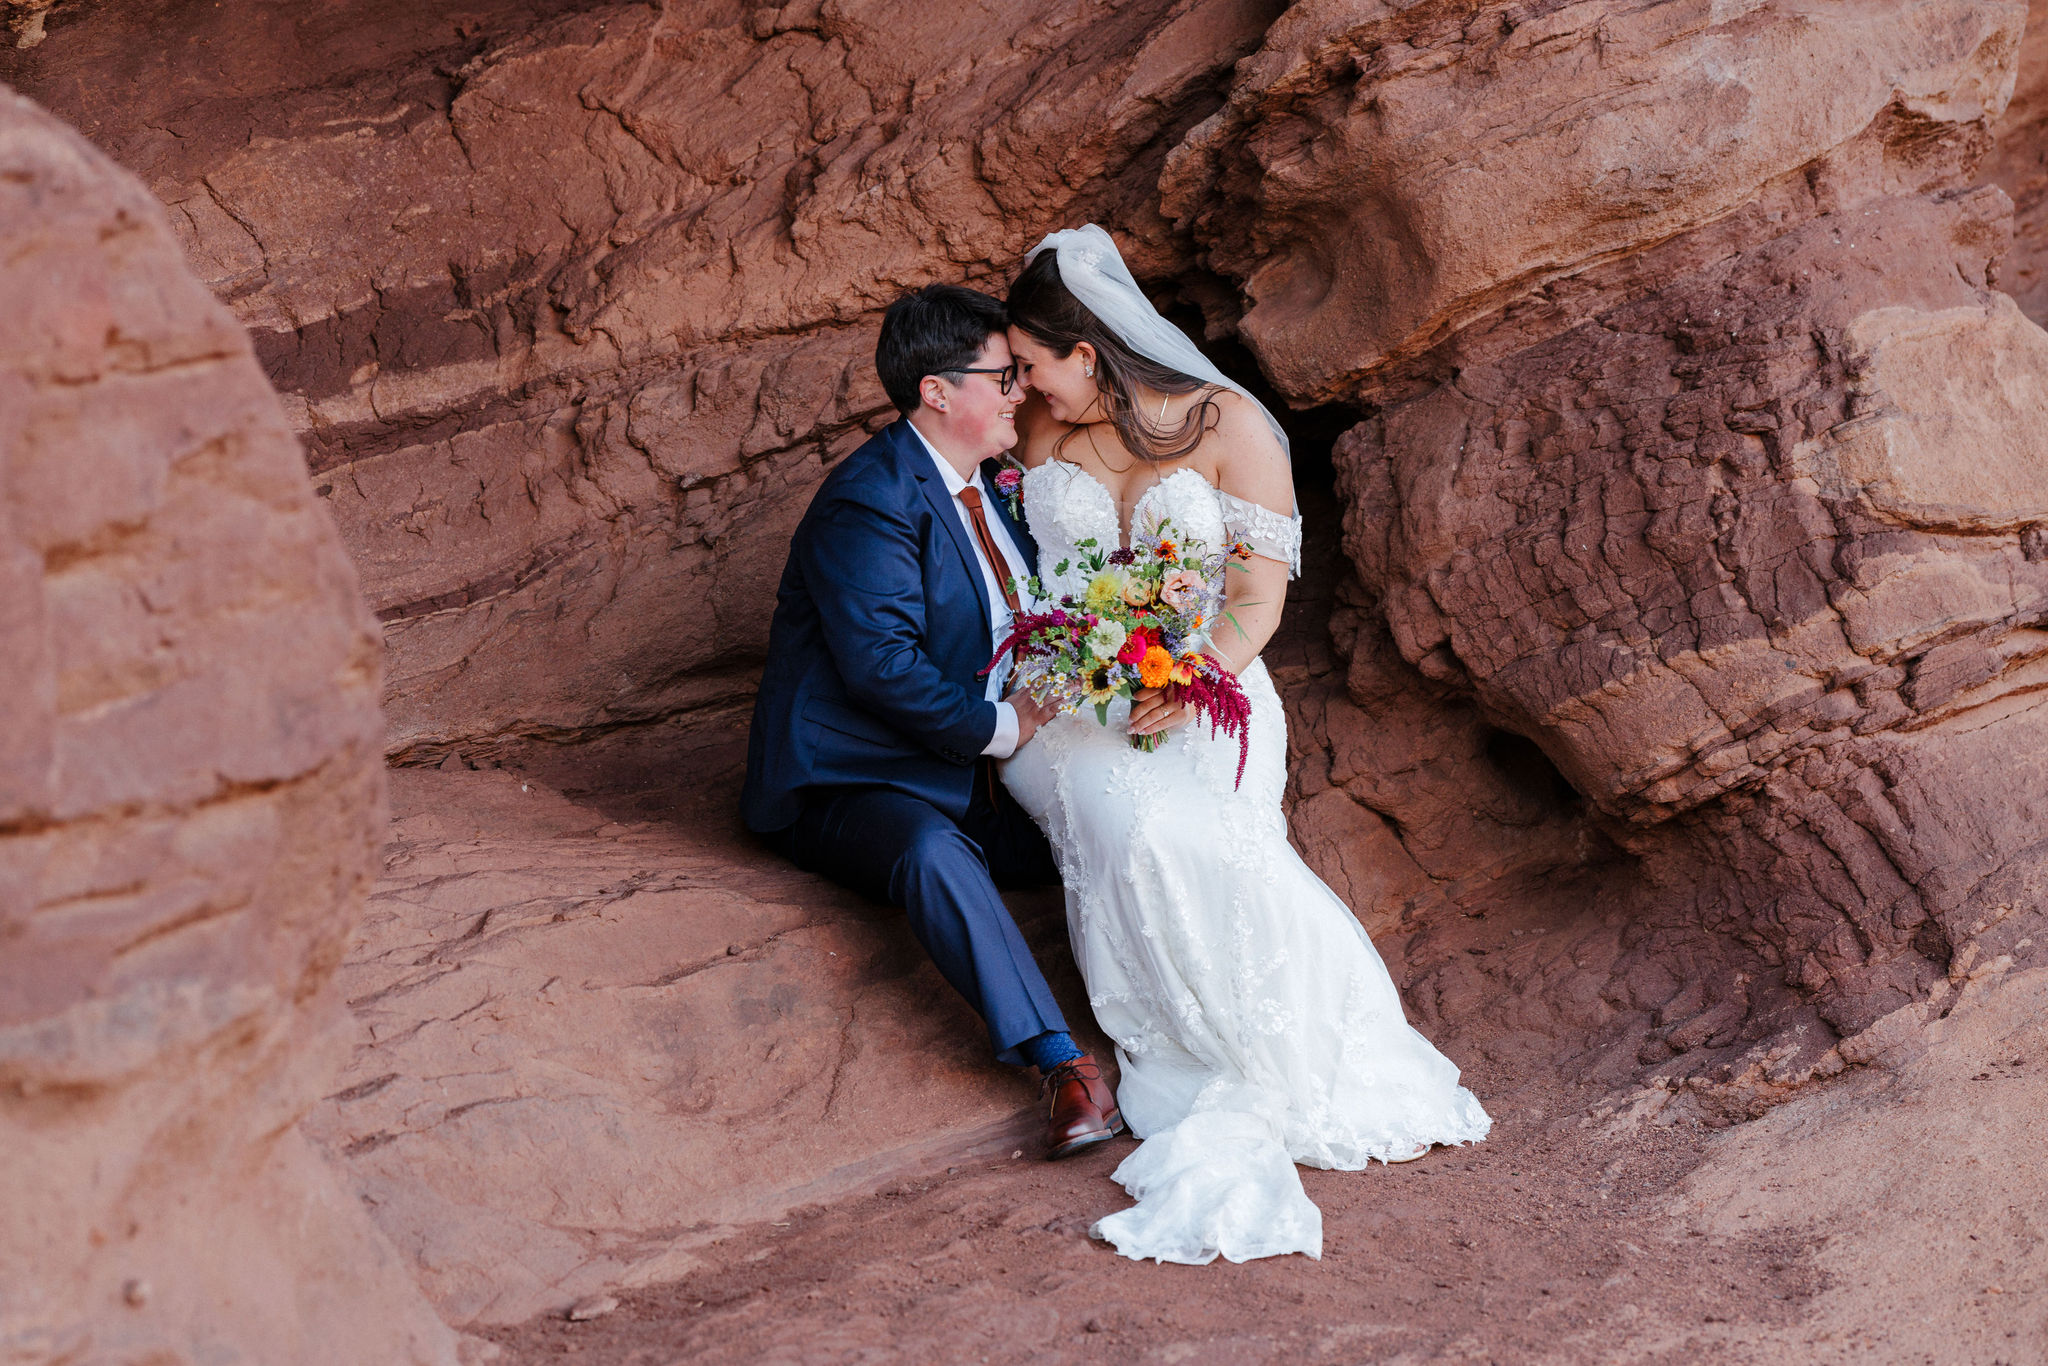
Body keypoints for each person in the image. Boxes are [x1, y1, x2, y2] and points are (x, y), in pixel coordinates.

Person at [996, 224, 1492, 1264]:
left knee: (1220, 845)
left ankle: (1293, 1053)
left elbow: (1258, 597)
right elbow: (1038, 580)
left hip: (1209, 685)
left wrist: (1186, 680)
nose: (1027, 391)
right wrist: (1088, 671)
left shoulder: (1230, 425)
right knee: (1129, 828)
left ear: (1085, 355)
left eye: (1035, 368)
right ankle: (1186, 1043)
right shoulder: (1043, 436)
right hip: (1071, 702)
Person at [741, 283, 1125, 1160]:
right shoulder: (869, 500)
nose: (1018, 391)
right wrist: (1008, 725)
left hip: (967, 767)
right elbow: (883, 669)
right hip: (853, 777)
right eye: (1001, 376)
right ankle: (1063, 1065)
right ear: (937, 391)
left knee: (1104, 826)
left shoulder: (992, 481)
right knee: (930, 852)